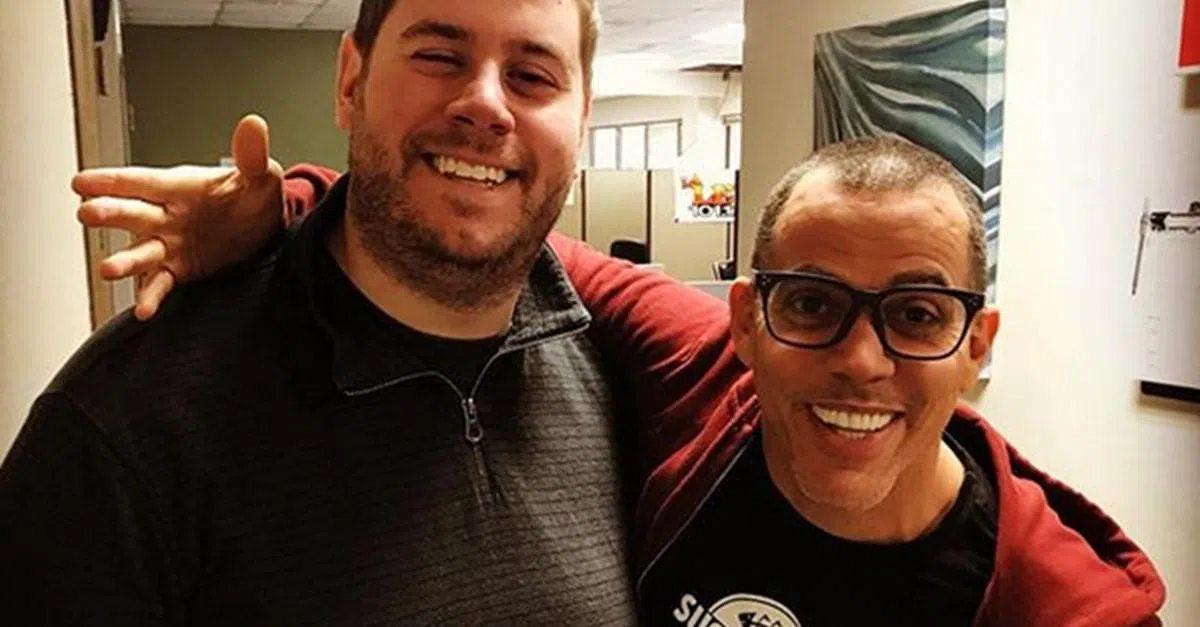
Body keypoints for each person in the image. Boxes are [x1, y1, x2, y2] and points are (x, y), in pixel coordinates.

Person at [67, 116, 1165, 625]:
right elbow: (491, 233)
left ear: (978, 345)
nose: (861, 359)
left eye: (919, 314)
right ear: (747, 319)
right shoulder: (696, 370)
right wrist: (292, 212)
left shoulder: (1057, 607)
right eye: (813, 304)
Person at [0, 0, 645, 624]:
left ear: (582, 118)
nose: (485, 104)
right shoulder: (124, 430)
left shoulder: (628, 385)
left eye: (532, 76)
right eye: (440, 56)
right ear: (350, 81)